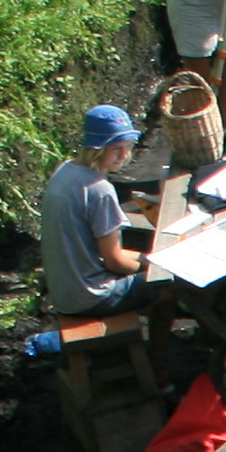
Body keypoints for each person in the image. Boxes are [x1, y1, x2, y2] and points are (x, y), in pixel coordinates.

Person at [40, 106, 148, 317]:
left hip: (65, 294)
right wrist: (150, 269)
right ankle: (157, 349)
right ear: (97, 148)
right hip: (93, 297)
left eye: (128, 146)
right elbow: (114, 261)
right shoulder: (100, 190)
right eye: (116, 148)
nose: (124, 155)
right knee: (170, 285)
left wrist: (147, 257)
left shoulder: (65, 169)